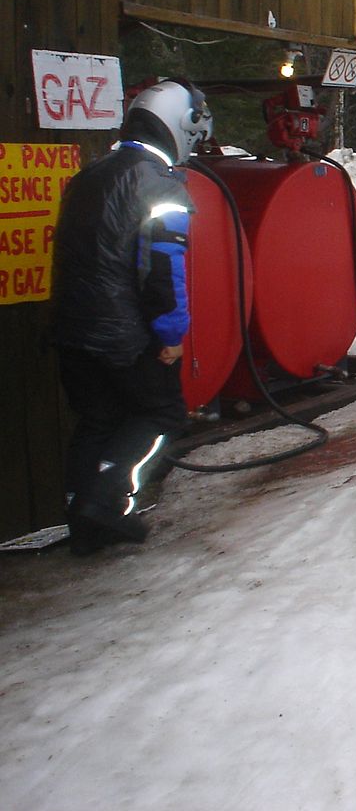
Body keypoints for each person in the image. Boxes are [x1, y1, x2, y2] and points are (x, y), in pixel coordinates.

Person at [51, 79, 212, 554]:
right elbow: (162, 269)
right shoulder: (159, 185)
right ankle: (106, 499)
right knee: (162, 415)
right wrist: (170, 332)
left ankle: (84, 525)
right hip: (126, 334)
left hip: (71, 331)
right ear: (180, 125)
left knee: (97, 420)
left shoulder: (90, 175)